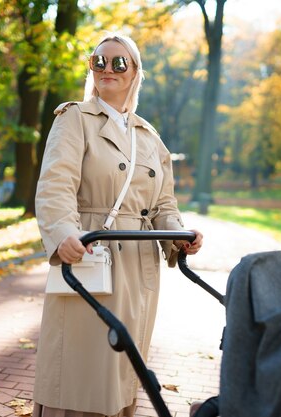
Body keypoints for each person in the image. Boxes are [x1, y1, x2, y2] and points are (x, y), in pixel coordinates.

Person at [33, 33, 203, 417]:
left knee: (124, 368)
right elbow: (55, 186)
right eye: (98, 61)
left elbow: (163, 203)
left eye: (118, 62)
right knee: (82, 371)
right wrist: (64, 234)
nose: (107, 69)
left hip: (140, 269)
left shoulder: (150, 137)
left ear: (135, 72)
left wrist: (179, 236)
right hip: (90, 254)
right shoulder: (75, 118)